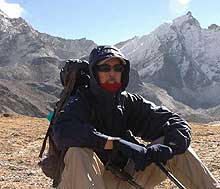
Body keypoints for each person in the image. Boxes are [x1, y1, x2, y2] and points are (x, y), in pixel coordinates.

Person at [53, 45, 219, 189]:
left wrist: (168, 147)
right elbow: (63, 132)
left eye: (117, 68)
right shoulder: (80, 101)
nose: (112, 73)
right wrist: (114, 144)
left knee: (180, 150)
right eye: (105, 68)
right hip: (84, 181)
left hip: (124, 176)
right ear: (94, 72)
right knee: (77, 152)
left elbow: (175, 123)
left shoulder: (127, 101)